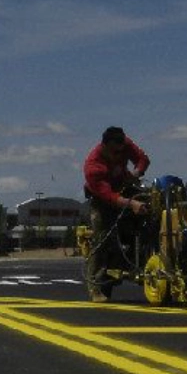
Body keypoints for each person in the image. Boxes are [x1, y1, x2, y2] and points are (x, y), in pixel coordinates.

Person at [82, 126, 151, 301]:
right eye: (114, 152)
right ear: (104, 146)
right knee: (103, 237)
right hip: (103, 199)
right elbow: (110, 197)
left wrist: (135, 174)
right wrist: (132, 204)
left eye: (121, 152)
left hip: (125, 188)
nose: (117, 156)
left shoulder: (125, 144)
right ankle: (95, 287)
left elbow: (142, 159)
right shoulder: (93, 166)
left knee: (150, 215)